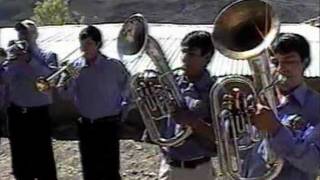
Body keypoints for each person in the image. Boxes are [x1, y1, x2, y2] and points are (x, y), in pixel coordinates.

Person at [242, 33, 320, 180]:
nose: (281, 69)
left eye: (289, 61)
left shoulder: (316, 107)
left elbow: (313, 162)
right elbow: (241, 151)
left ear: (305, 63)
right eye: (275, 62)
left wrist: (276, 129)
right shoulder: (258, 101)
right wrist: (232, 119)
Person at [59, 25, 130, 180]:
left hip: (108, 125)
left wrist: (124, 109)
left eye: (89, 44)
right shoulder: (76, 68)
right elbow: (65, 95)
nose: (85, 48)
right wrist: (66, 81)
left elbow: (128, 87)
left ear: (98, 44)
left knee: (109, 170)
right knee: (89, 170)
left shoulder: (112, 66)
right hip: (86, 126)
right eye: (82, 43)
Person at [0, 20, 58, 179]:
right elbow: (4, 81)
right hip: (16, 113)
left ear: (35, 35)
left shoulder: (47, 56)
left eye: (26, 32)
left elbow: (49, 82)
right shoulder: (12, 59)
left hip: (38, 113)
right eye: (20, 32)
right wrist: (10, 63)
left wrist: (30, 61)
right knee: (20, 160)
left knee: (43, 158)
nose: (22, 36)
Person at [158, 31, 216, 180]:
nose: (184, 59)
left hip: (198, 171)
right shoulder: (173, 82)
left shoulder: (214, 91)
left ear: (207, 57)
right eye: (183, 52)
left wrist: (193, 122)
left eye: (191, 54)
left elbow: (222, 138)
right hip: (168, 166)